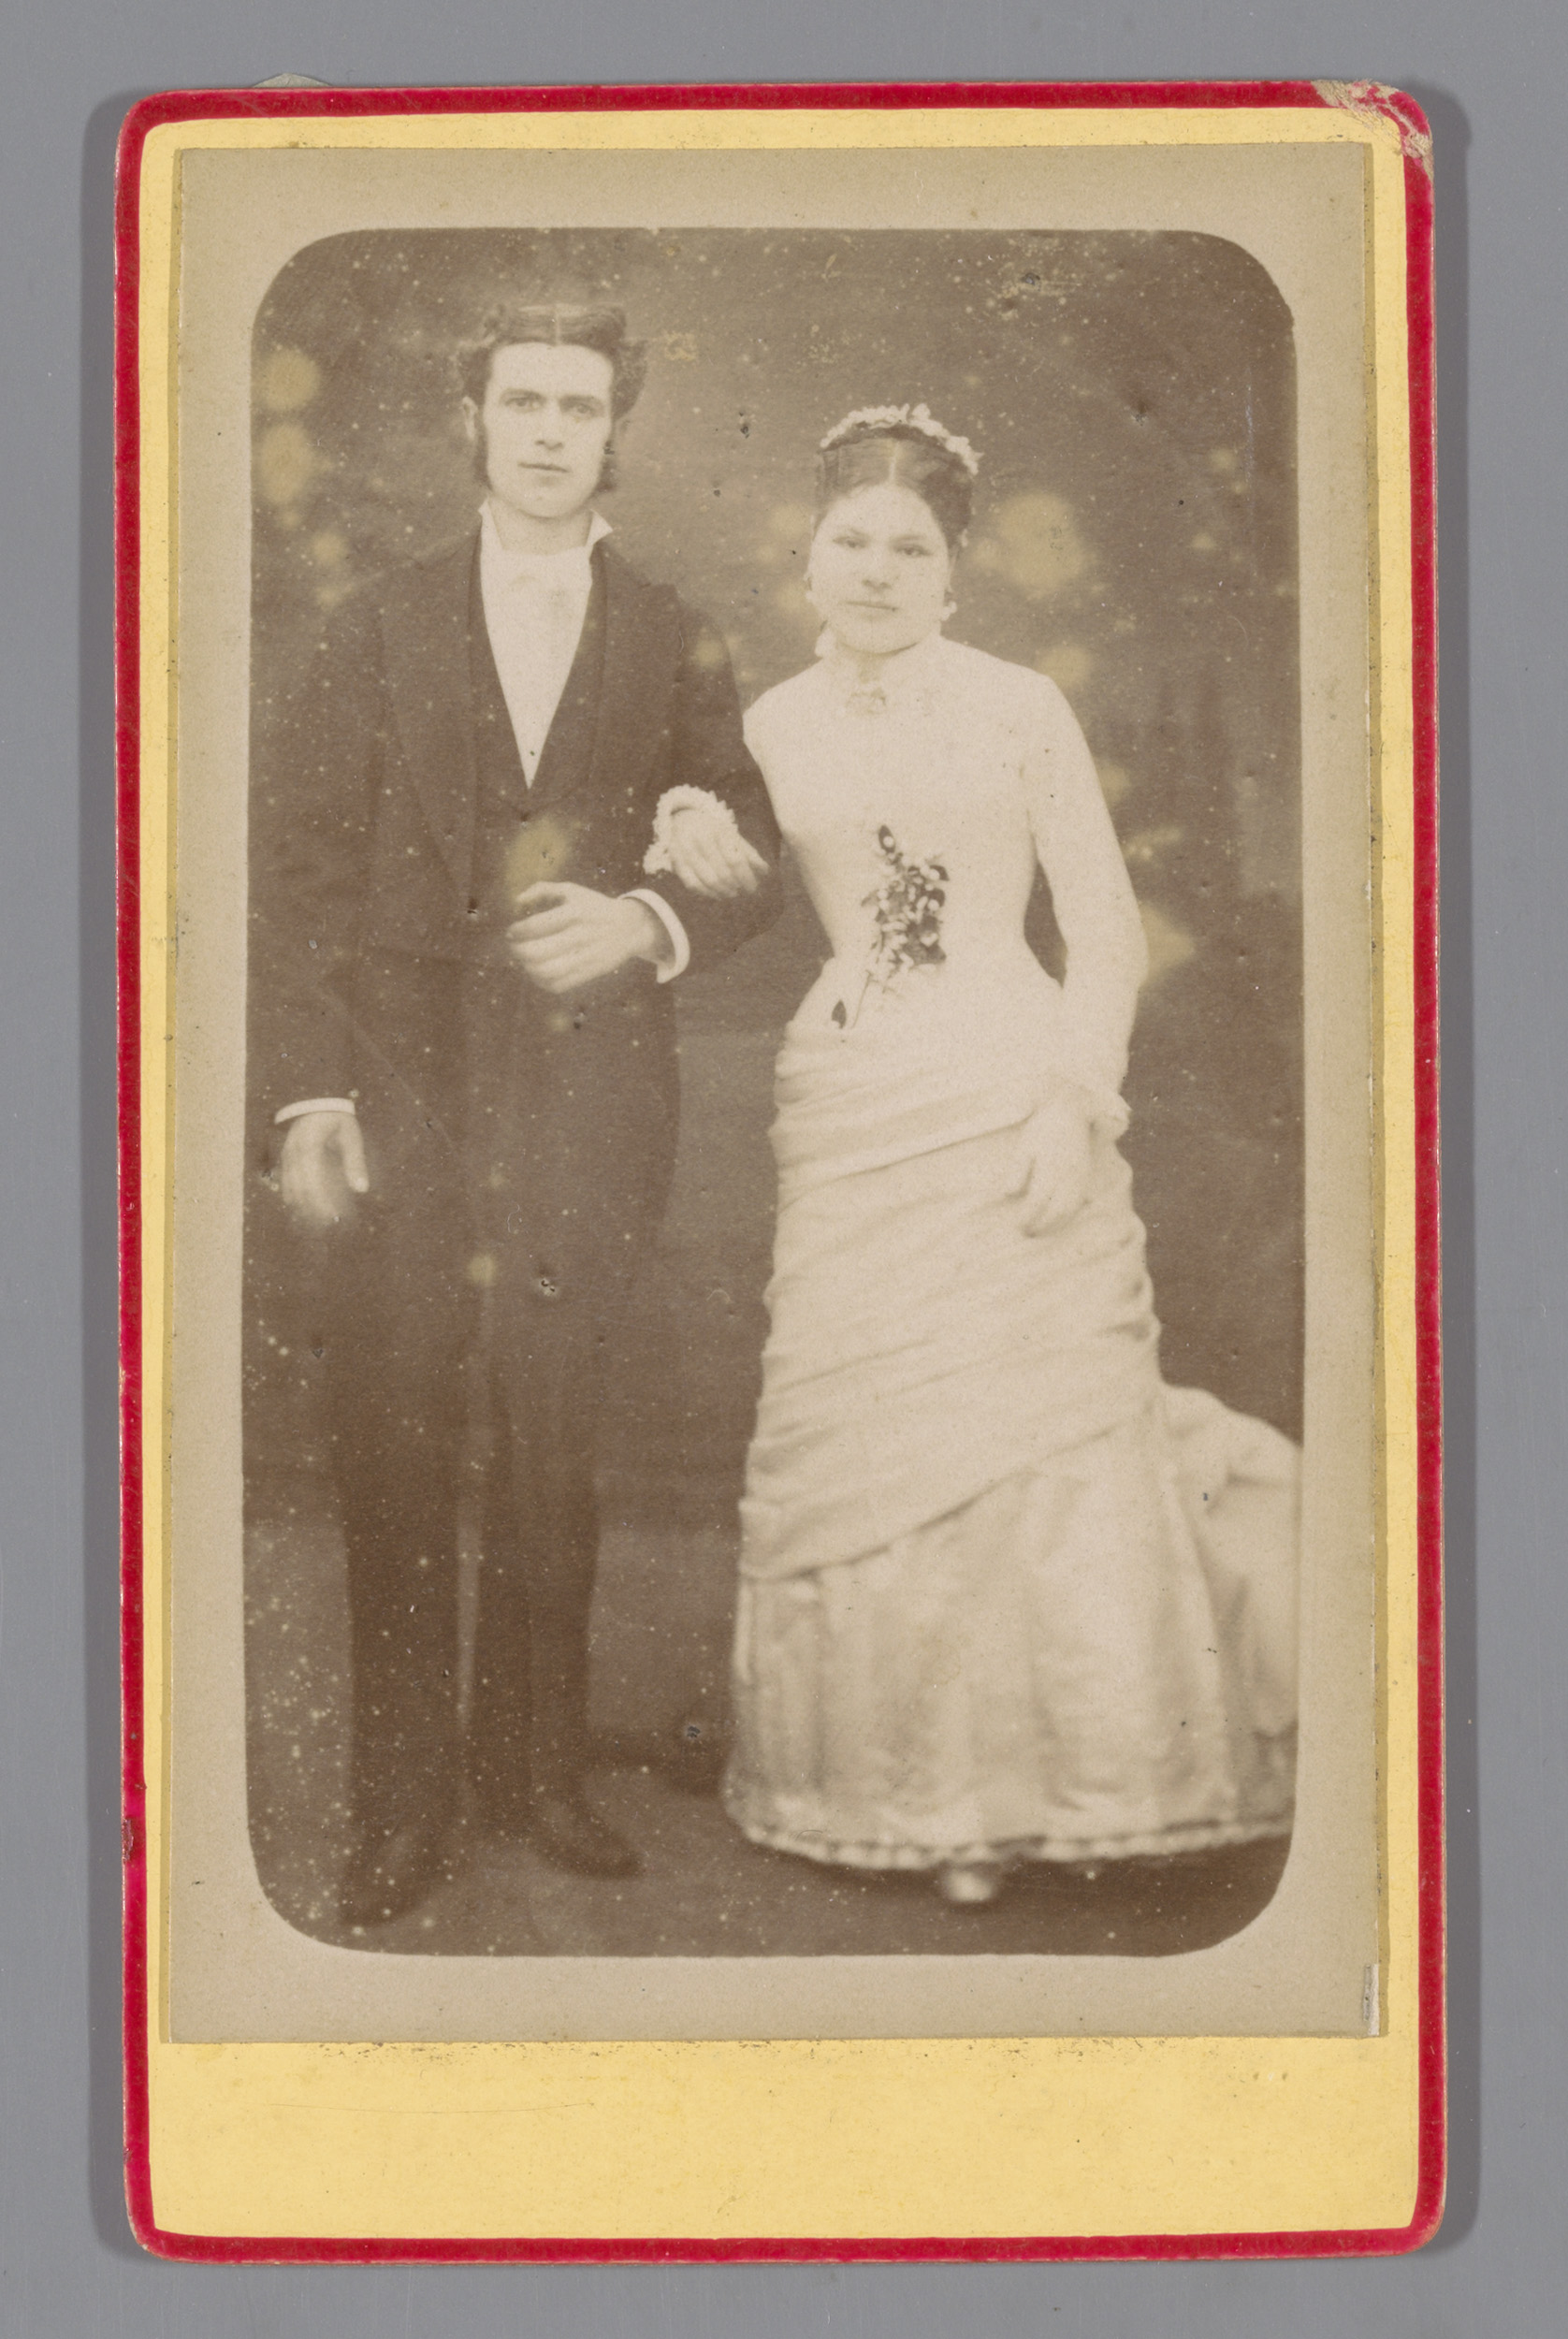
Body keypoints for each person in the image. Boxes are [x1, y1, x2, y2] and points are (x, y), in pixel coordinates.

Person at [677, 404, 1299, 1905]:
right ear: (808, 562)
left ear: (954, 575)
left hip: (1009, 1083)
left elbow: (1104, 934)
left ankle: (1044, 1790)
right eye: (852, 542)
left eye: (912, 549)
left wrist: (1075, 1102)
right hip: (851, 1100)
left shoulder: (1020, 707)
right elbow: (731, 897)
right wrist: (687, 821)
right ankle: (902, 1797)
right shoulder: (767, 726)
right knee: (879, 1435)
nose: (877, 571)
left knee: (1027, 1426)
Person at [253, 301, 781, 1926]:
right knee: (396, 1432)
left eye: (581, 405)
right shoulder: (375, 622)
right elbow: (297, 875)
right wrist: (308, 1096)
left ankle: (535, 1773)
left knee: (557, 1438)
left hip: (590, 1094)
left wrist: (649, 920)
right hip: (400, 1083)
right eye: (523, 400)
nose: (551, 430)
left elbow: (750, 855)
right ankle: (401, 1805)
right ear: (472, 419)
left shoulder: (677, 633)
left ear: (615, 432)